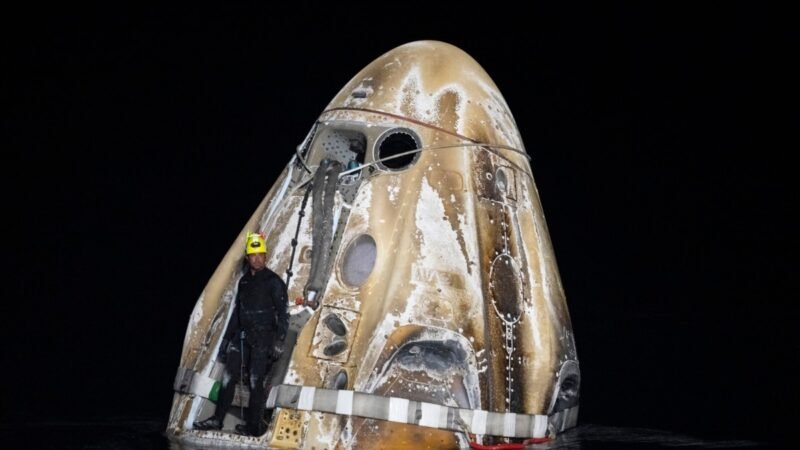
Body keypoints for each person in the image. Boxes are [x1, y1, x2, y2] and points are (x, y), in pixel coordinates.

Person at [194, 232, 289, 436]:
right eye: (253, 255)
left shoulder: (274, 282)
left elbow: (283, 314)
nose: (257, 259)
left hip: (264, 338)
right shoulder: (244, 282)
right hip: (243, 336)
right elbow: (237, 314)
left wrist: (279, 341)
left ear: (266, 256)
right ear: (248, 257)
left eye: (261, 254)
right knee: (228, 378)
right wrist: (226, 341)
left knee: (256, 383)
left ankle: (253, 426)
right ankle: (217, 419)